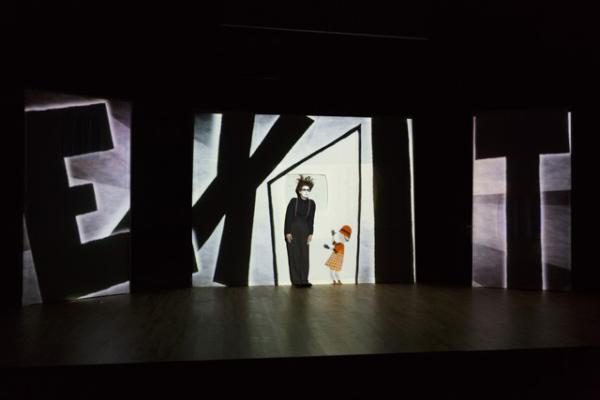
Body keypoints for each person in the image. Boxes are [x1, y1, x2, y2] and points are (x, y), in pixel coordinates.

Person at [284, 175, 316, 288]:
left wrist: (311, 233)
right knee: (294, 255)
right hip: (293, 230)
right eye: (304, 189)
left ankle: (304, 280)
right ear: (299, 191)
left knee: (304, 256)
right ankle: (297, 281)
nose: (306, 192)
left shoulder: (312, 204)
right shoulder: (294, 202)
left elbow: (311, 220)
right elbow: (288, 217)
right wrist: (287, 232)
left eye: (308, 190)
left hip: (305, 230)